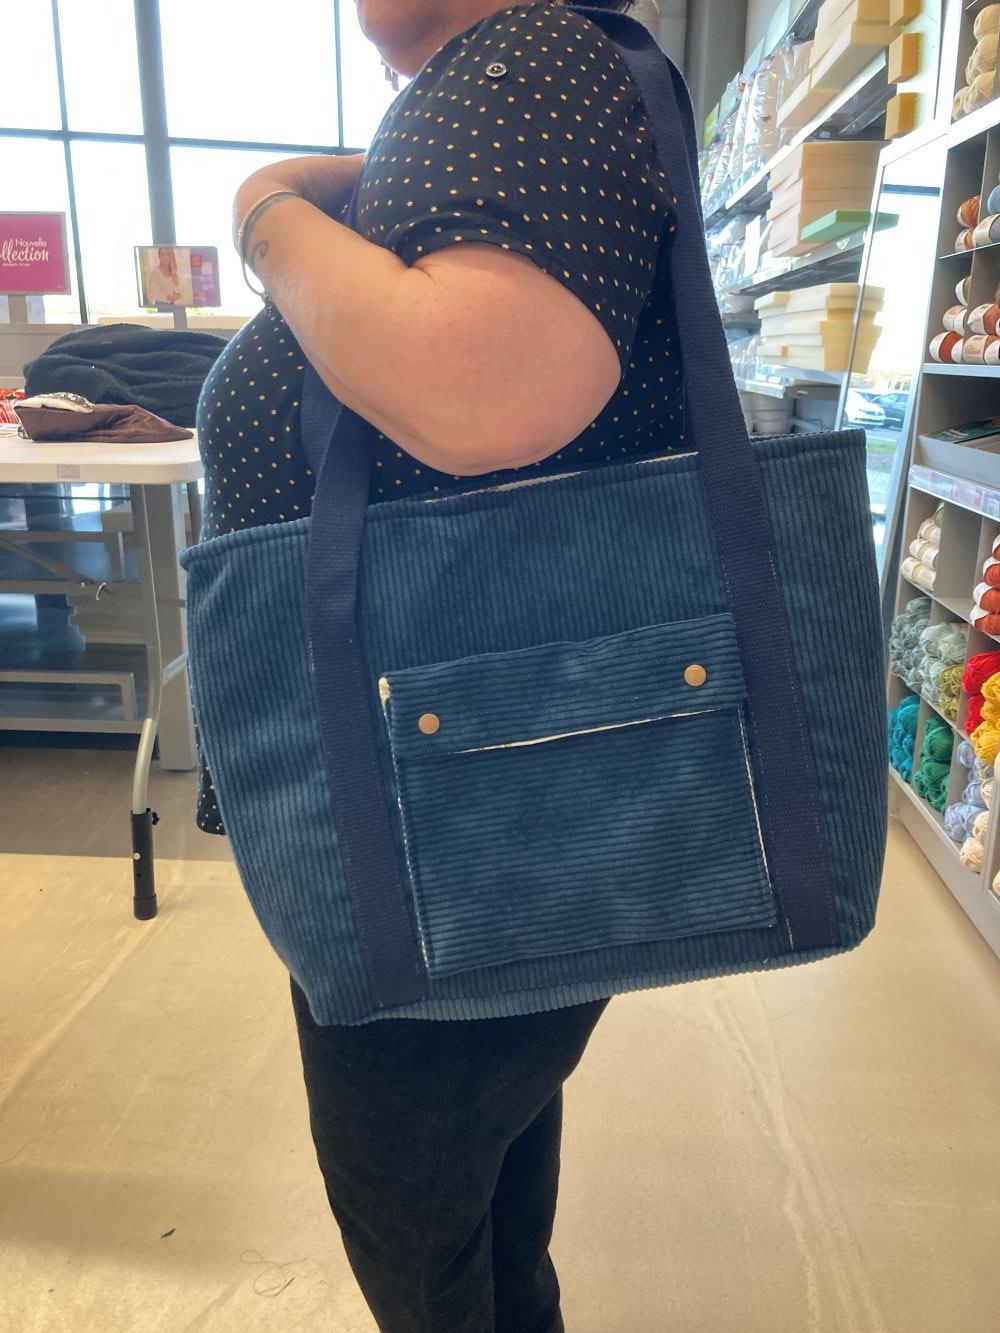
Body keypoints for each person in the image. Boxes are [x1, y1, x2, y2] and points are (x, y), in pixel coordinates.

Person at [196, 3, 684, 1327]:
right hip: (453, 769)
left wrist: (264, 207)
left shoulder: (532, 60)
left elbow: (477, 387)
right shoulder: (503, 84)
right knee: (478, 1189)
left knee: (413, 1209)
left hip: (454, 801)